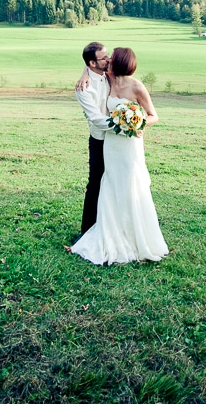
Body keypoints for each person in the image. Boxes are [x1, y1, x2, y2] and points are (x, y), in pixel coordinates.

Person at [71, 47, 169, 265]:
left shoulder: (135, 85)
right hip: (106, 142)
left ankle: (134, 233)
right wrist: (84, 73)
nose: (108, 60)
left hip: (129, 144)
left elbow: (154, 116)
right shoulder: (102, 78)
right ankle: (95, 229)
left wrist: (137, 123)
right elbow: (90, 64)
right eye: (105, 58)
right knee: (104, 184)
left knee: (130, 184)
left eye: (111, 58)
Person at [74, 42, 111, 239]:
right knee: (95, 184)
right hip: (100, 141)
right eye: (104, 58)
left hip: (118, 142)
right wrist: (123, 126)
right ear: (92, 63)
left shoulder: (109, 72)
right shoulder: (83, 88)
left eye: (108, 55)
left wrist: (85, 70)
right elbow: (96, 119)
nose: (108, 59)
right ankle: (87, 231)